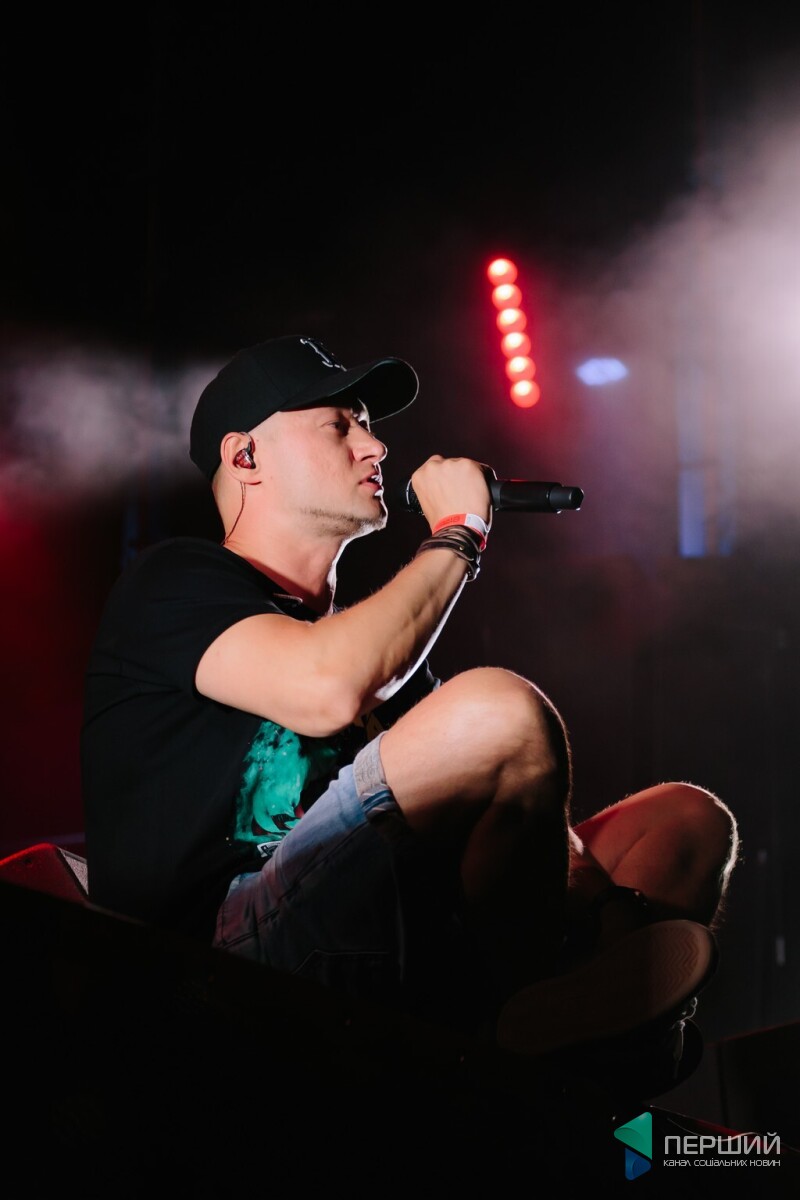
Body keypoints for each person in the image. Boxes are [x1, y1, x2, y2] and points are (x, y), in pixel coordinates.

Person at [80, 333, 739, 1096]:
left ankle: (570, 1024)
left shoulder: (382, 651)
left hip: (390, 925)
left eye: (368, 425)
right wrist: (458, 532)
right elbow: (326, 688)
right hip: (218, 955)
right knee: (497, 711)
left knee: (685, 822)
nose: (376, 446)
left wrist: (609, 910)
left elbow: (504, 799)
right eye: (341, 425)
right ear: (246, 456)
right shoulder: (175, 582)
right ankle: (549, 1031)